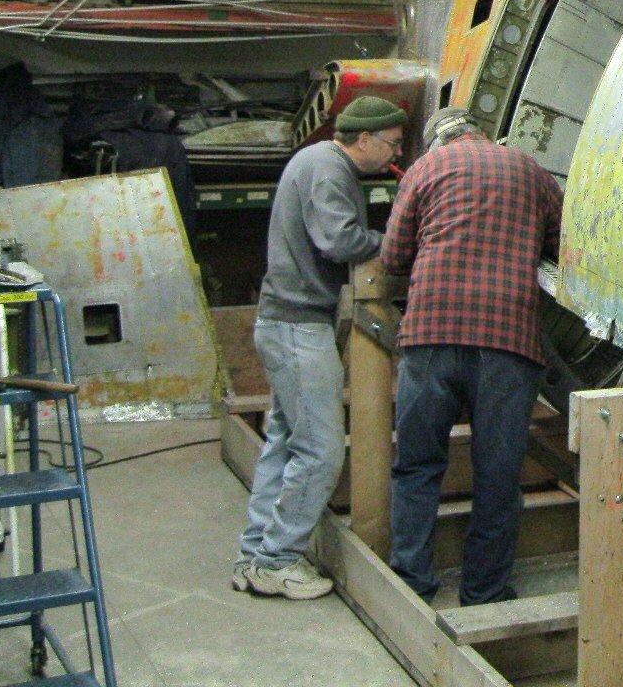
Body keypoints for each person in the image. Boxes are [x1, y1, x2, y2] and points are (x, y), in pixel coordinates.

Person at [382, 107, 562, 606]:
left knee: (417, 465)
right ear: (480, 133)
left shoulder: (424, 170)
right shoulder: (530, 169)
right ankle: (483, 591)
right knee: (497, 475)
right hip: (508, 341)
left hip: (431, 334)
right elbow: (561, 247)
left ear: (438, 141)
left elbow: (393, 257)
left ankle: (411, 586)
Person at [233, 94, 406, 600]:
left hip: (286, 323)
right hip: (297, 328)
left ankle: (255, 555)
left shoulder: (315, 162)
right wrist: (397, 240)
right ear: (365, 139)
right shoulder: (330, 170)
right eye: (392, 146)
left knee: (285, 443)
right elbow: (341, 242)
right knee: (322, 451)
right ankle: (277, 561)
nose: (393, 156)